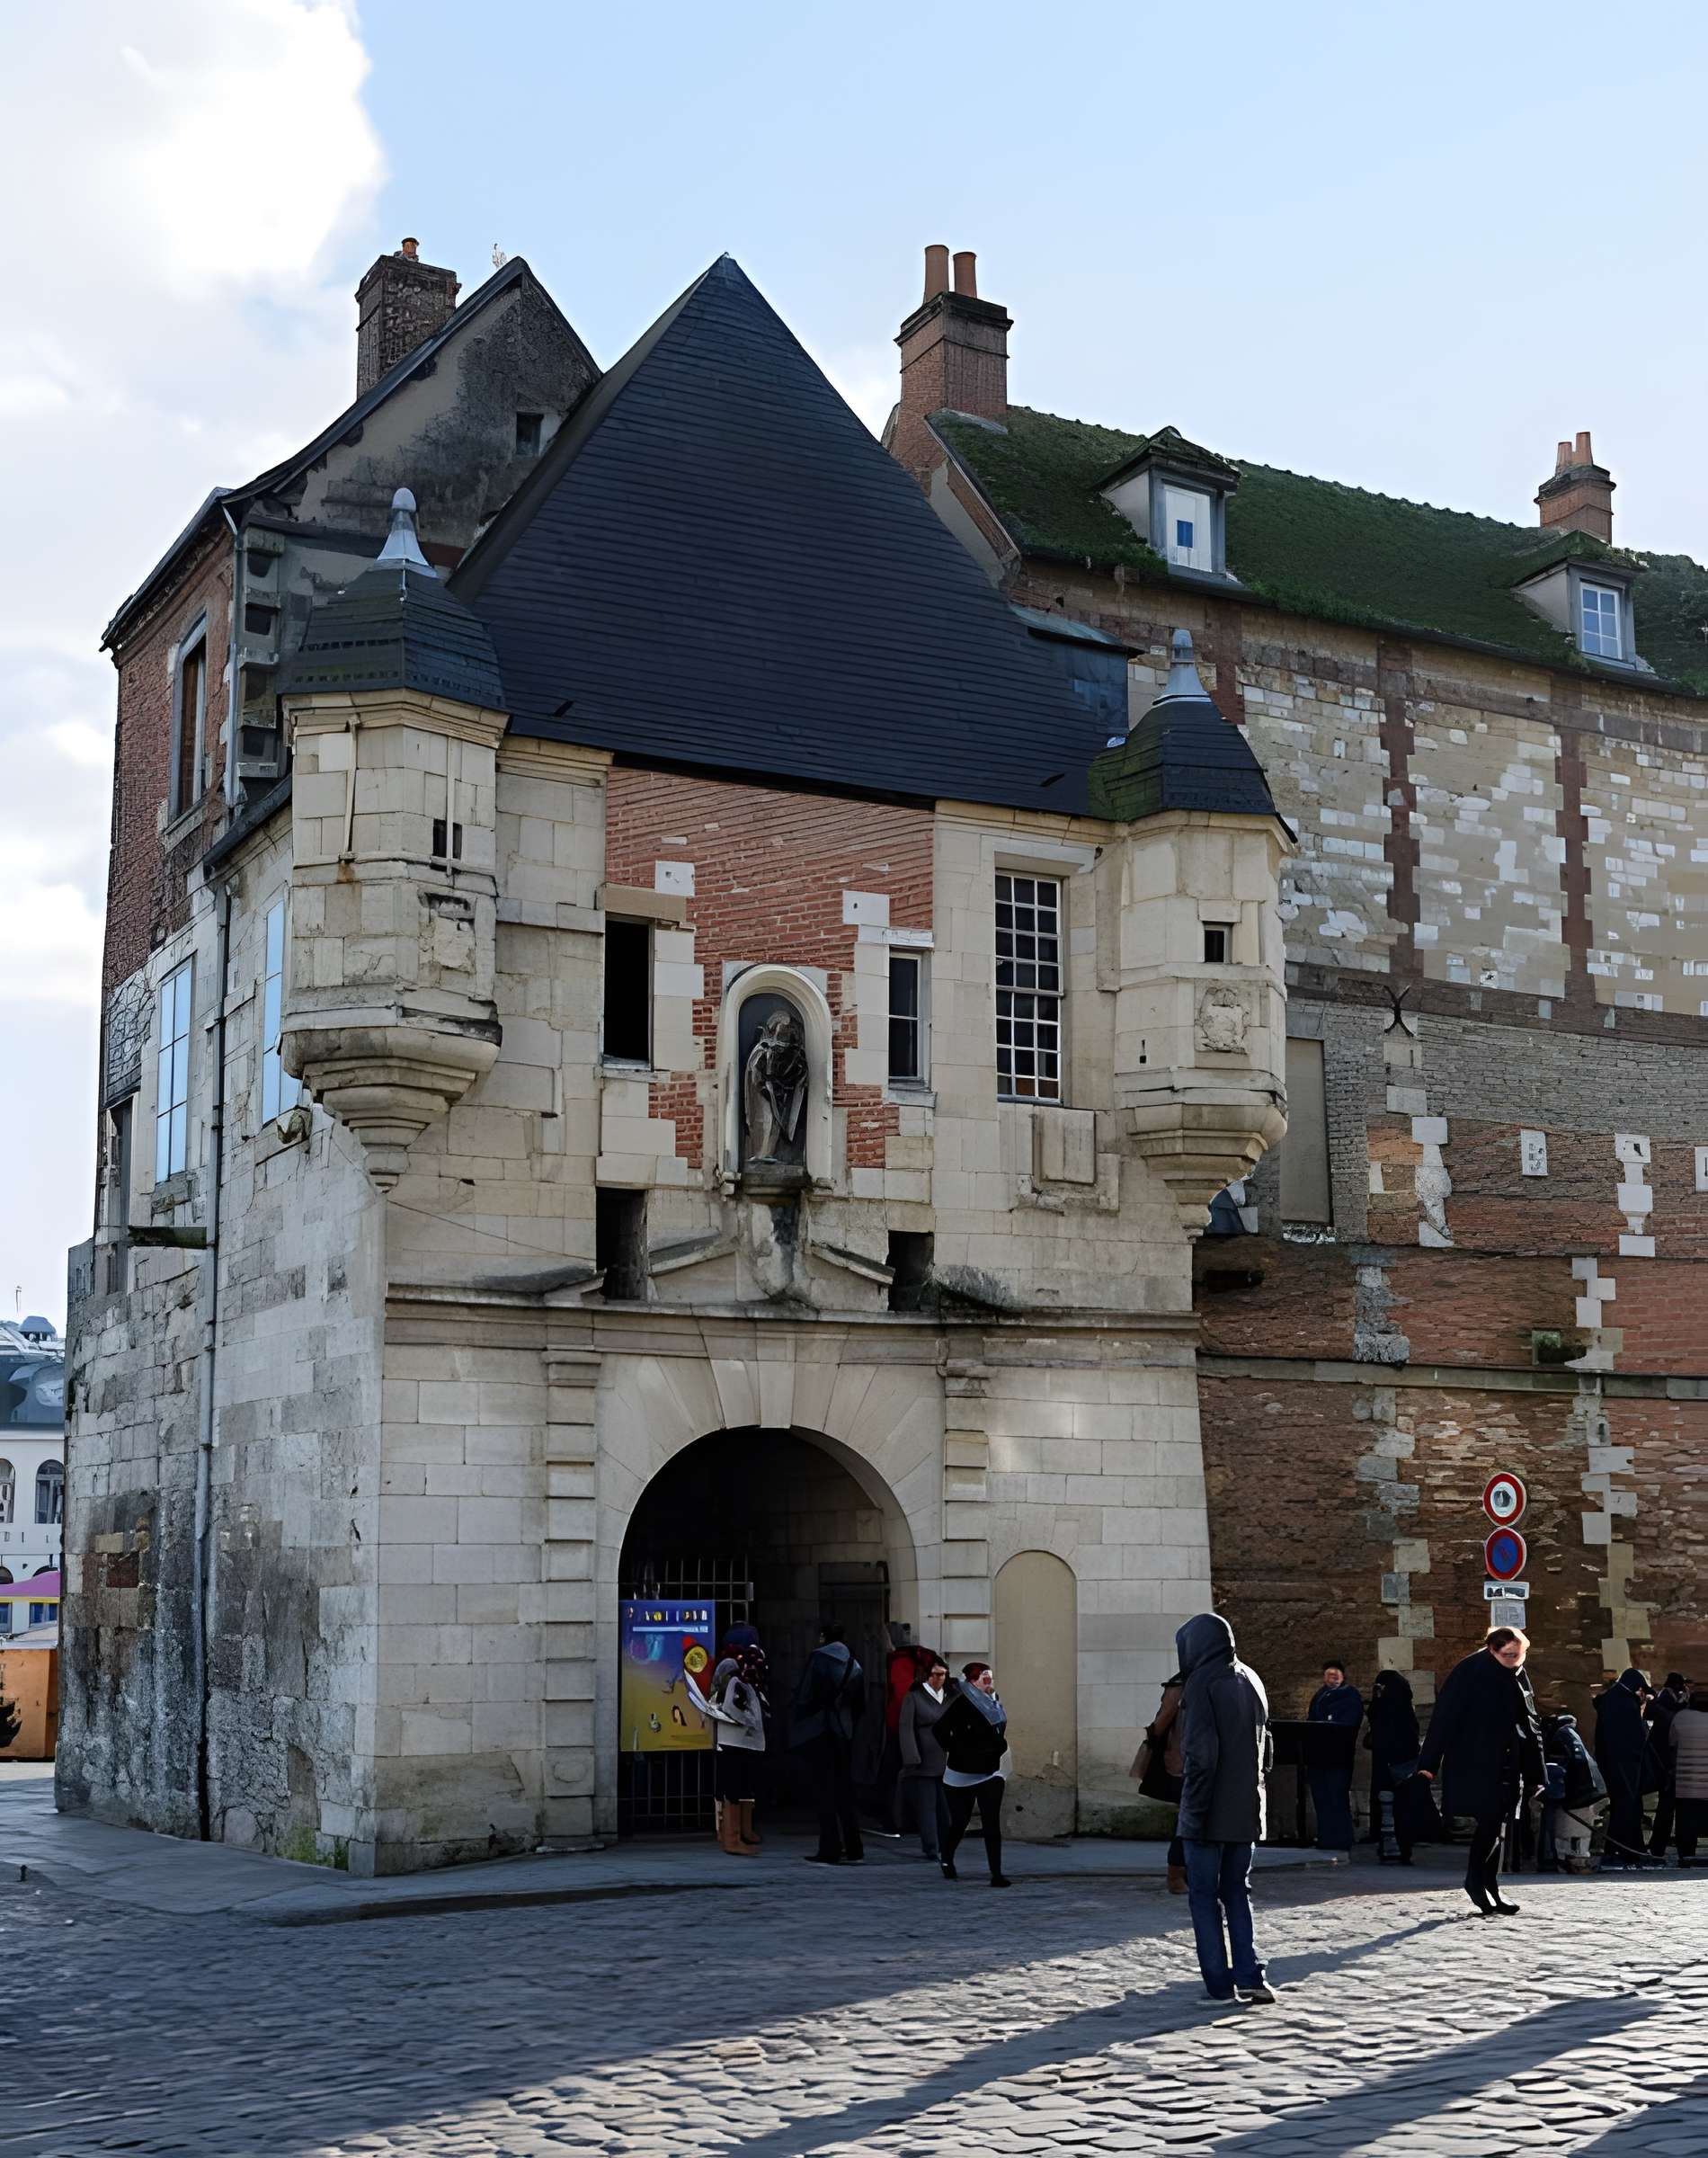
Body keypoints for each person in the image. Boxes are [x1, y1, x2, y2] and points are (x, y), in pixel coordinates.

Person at [1175, 1611, 1275, 2006]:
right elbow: (1268, 1749)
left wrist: (1193, 1814)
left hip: (1209, 1809)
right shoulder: (1251, 1678)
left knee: (1203, 1896)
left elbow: (1200, 1756)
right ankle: (1250, 1976)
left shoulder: (1202, 1682)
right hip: (1247, 1808)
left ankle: (1218, 1984)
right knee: (1238, 1892)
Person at [1415, 1625, 1545, 1915]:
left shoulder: (1518, 1671)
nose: (1514, 1660)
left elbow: (1531, 1722)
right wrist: (1428, 1765)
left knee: (1499, 1825)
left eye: (1519, 1655)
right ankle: (1477, 1880)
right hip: (1475, 1761)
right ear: (1492, 1650)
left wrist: (1538, 1773)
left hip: (1510, 1763)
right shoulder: (1469, 1672)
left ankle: (1489, 1885)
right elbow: (1443, 1719)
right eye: (1508, 1655)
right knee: (1490, 1821)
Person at [791, 1621, 867, 1866]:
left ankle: (830, 1848)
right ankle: (855, 1848)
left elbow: (805, 1696)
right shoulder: (854, 1663)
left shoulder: (819, 1659)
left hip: (821, 1731)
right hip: (844, 1731)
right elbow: (861, 1704)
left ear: (823, 1637)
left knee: (824, 1792)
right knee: (845, 1791)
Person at [935, 1662, 1010, 1886]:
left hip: (990, 1771)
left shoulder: (994, 1702)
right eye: (984, 1679)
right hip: (961, 1774)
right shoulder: (961, 1704)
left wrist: (1000, 1746)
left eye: (991, 1678)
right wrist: (957, 1750)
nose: (989, 1683)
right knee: (960, 1821)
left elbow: (998, 1731)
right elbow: (938, 1730)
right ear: (972, 1681)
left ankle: (996, 1874)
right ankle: (947, 1859)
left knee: (991, 1823)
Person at [696, 1635, 769, 1858]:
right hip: (734, 1742)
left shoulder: (742, 1682)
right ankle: (732, 1839)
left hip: (736, 1742)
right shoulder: (737, 1682)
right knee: (732, 1791)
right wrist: (752, 1722)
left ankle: (736, 1836)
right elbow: (733, 1709)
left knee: (736, 1789)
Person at [1363, 1670, 1433, 1864]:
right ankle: (1393, 1848)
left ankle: (1399, 1848)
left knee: (1396, 1808)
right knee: (1390, 1807)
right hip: (1395, 1764)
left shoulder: (1396, 1707)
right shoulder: (1395, 1705)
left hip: (1396, 1765)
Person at [1594, 1665, 1653, 1869]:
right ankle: (1628, 1850)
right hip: (1626, 1762)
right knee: (1628, 1805)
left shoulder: (1610, 1700)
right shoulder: (1626, 1704)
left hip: (1611, 1761)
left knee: (1622, 1804)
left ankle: (1618, 1849)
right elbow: (1640, 1736)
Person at [1134, 1672, 1188, 1893]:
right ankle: (1176, 1875)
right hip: (1184, 1761)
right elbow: (1162, 1721)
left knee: (1191, 1819)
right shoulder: (1182, 1685)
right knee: (1188, 1819)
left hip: (1193, 1760)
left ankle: (1182, 1874)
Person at [897, 1653, 952, 1860]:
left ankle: (947, 1844)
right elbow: (906, 1728)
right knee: (927, 1807)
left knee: (945, 1808)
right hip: (924, 1760)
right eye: (936, 1675)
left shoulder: (949, 1696)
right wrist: (912, 1756)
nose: (940, 1679)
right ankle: (931, 1847)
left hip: (946, 1759)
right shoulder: (914, 1696)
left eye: (943, 1675)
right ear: (926, 1676)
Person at [1306, 1660, 1364, 1852]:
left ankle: (1340, 1839)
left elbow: (1347, 1724)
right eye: (1329, 1675)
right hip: (1318, 1756)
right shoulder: (1320, 1695)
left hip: (1338, 1756)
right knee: (1322, 1798)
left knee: (1337, 1797)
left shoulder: (1350, 1696)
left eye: (1336, 1675)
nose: (1332, 1678)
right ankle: (1326, 1837)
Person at [1539, 1710, 1605, 1873]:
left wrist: (1550, 1796)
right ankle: (1575, 1860)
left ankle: (1574, 1861)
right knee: (1578, 1831)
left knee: (1572, 1833)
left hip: (1578, 1795)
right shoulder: (1572, 1735)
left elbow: (1557, 1772)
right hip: (1589, 1791)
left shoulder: (1558, 1738)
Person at [1647, 1672, 1688, 1860]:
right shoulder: (1687, 1707)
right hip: (1685, 1766)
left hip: (1667, 1767)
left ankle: (1658, 1848)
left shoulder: (1660, 1706)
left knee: (1665, 1808)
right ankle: (1685, 1849)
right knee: (1684, 1810)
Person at [1668, 1682, 1708, 1868]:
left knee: (1686, 1824)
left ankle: (1686, 1856)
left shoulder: (1681, 1717)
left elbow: (1672, 1742)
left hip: (1686, 1784)